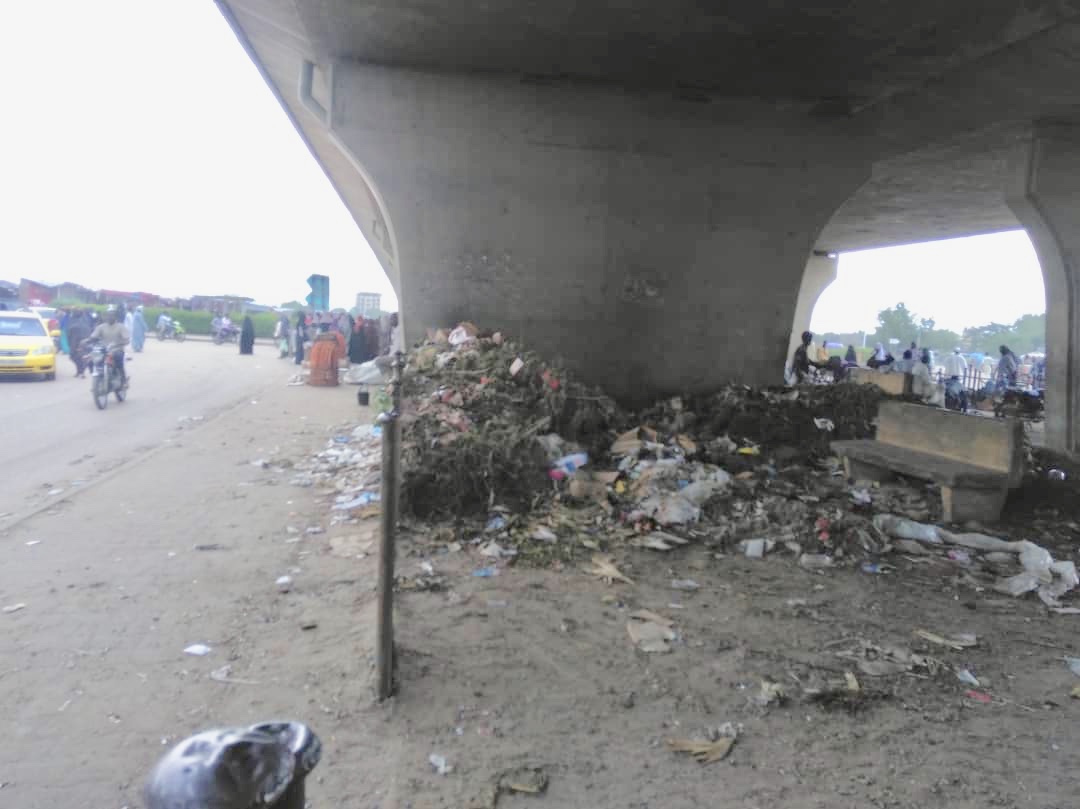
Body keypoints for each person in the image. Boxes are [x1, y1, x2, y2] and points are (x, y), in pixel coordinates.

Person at [86, 305, 130, 384]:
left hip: (117, 349)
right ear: (105, 316)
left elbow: (126, 338)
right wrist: (87, 341)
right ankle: (97, 376)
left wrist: (122, 342)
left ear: (115, 316)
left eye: (112, 315)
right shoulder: (101, 327)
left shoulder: (121, 327)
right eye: (108, 315)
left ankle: (123, 379)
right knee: (91, 360)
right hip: (104, 350)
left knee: (119, 360)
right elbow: (93, 336)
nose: (110, 317)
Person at [66, 308, 92, 377]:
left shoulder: (84, 320)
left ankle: (81, 372)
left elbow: (68, 332)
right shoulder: (74, 320)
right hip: (75, 342)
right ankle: (79, 371)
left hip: (81, 342)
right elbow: (69, 332)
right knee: (74, 357)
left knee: (82, 357)